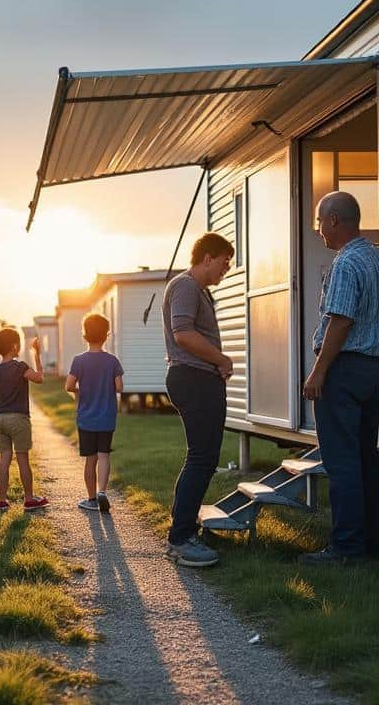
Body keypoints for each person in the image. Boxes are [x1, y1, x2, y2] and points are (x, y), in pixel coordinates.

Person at [300, 190, 379, 565]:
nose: (319, 229)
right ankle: (376, 544)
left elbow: (341, 320)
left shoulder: (347, 263)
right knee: (366, 459)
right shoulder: (378, 258)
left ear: (334, 220)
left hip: (344, 371)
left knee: (342, 462)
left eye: (320, 222)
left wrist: (319, 371)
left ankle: (346, 549)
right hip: (374, 372)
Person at [162, 233, 234, 567]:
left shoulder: (199, 290)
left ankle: (183, 529)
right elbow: (183, 334)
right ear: (207, 257)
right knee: (202, 458)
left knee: (202, 457)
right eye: (224, 262)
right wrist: (222, 360)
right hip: (192, 379)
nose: (226, 269)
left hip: (199, 378)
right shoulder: (186, 286)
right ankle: (181, 539)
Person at [65, 313, 124, 513]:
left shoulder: (79, 360)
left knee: (90, 459)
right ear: (107, 335)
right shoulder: (112, 361)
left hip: (86, 418)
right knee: (104, 455)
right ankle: (102, 492)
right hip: (107, 418)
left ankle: (91, 499)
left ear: (84, 335)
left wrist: (82, 391)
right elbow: (119, 387)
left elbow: (69, 385)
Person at [0, 327, 49, 512]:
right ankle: (29, 499)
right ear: (15, 347)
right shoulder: (20, 367)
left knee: (4, 458)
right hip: (19, 419)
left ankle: (2, 500)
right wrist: (37, 355)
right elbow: (39, 378)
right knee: (22, 459)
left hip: (0, 419)